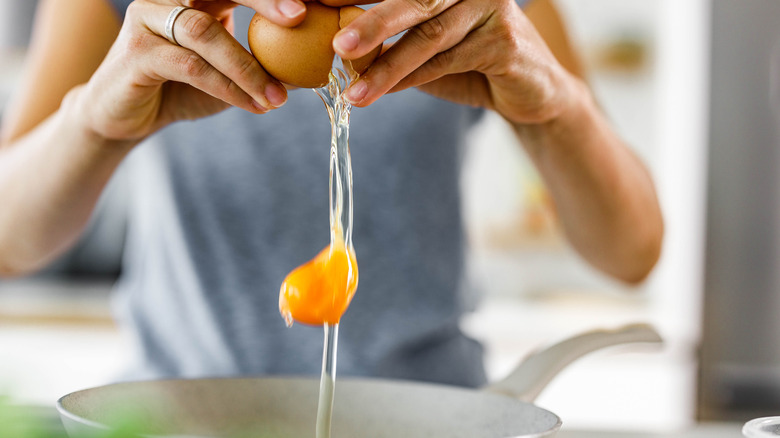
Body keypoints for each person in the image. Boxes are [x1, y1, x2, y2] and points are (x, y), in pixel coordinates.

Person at [0, 0, 663, 386]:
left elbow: (631, 251)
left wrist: (556, 111)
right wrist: (94, 123)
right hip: (182, 412)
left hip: (423, 415)